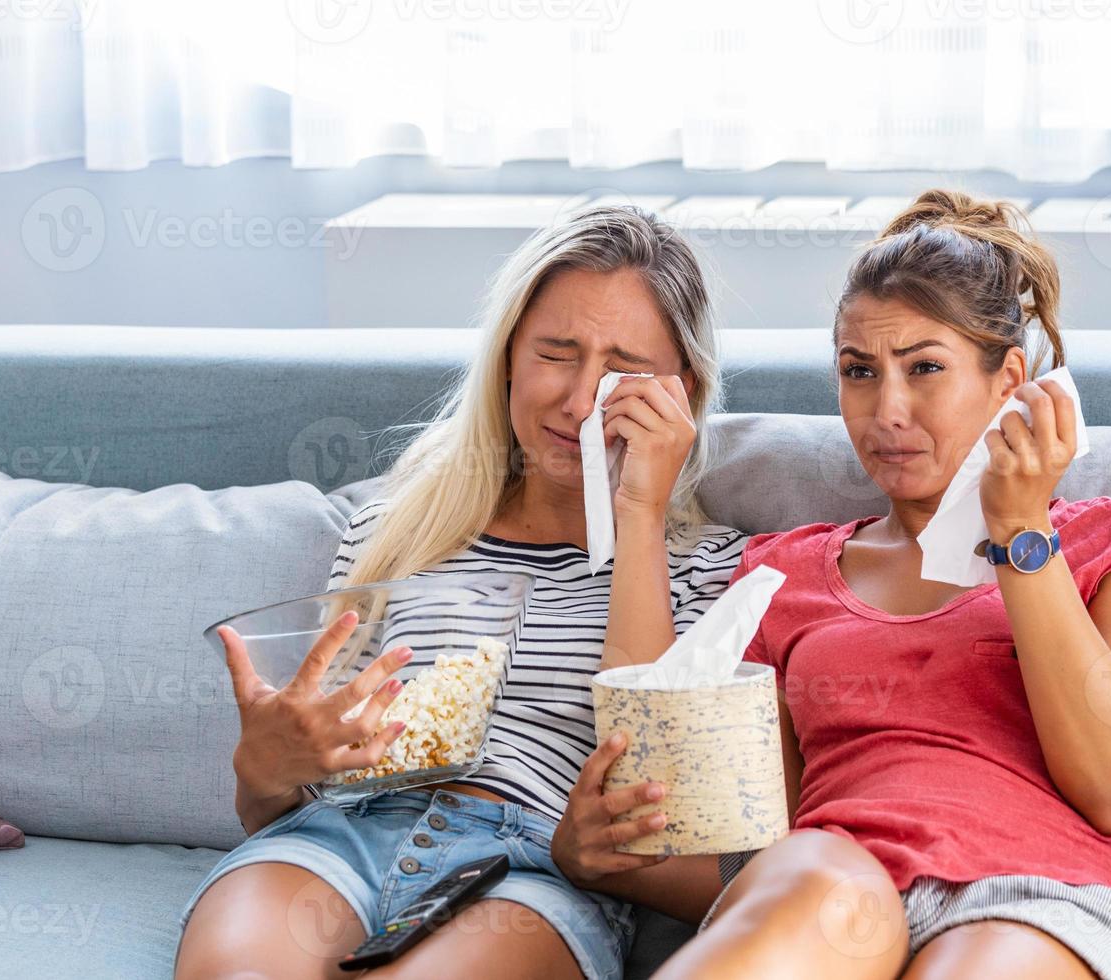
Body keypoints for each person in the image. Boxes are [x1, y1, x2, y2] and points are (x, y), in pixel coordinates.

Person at [553, 189, 1111, 980]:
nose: (886, 409)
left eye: (925, 367)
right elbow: (730, 822)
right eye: (860, 372)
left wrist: (1019, 531)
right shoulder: (780, 571)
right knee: (811, 875)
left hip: (1041, 895)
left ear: (1012, 381)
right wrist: (598, 857)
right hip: (832, 879)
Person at [173, 204, 749, 980]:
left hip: (533, 873)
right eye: (556, 352)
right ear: (509, 356)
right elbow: (289, 793)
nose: (580, 401)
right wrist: (264, 771)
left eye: (621, 371)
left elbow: (661, 813)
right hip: (338, 836)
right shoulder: (400, 525)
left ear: (683, 391)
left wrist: (640, 513)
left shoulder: (716, 571)